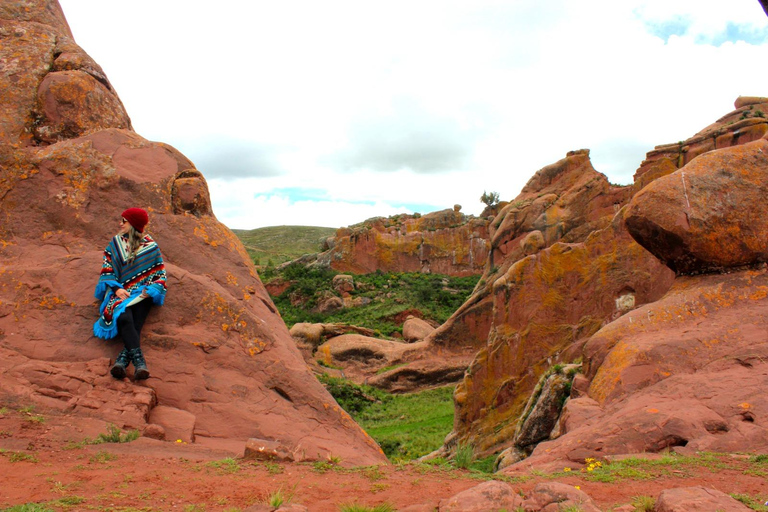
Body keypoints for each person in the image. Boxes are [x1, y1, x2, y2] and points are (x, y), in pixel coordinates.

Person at [93, 208, 167, 380]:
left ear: (133, 224)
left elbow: (159, 273)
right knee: (125, 317)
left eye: (124, 221)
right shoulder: (115, 243)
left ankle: (123, 361)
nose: (120, 223)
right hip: (119, 291)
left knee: (137, 321)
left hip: (142, 293)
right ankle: (139, 363)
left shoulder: (150, 246)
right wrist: (117, 288)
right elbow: (108, 268)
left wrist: (150, 291)